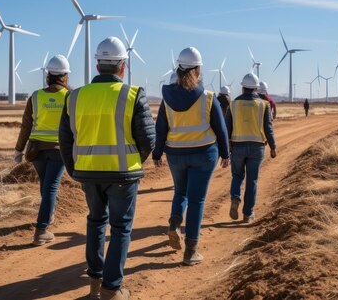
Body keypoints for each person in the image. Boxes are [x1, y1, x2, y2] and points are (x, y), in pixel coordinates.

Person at [59, 37, 155, 300]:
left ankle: (94, 281)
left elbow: (65, 140)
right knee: (121, 227)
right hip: (123, 175)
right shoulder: (133, 95)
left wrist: (74, 170)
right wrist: (134, 162)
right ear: (122, 66)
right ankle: (112, 289)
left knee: (95, 222)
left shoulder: (75, 96)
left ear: (98, 65)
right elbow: (147, 139)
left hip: (88, 173)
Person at [152, 46, 230, 266]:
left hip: (176, 155)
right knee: (197, 201)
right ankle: (191, 251)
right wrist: (225, 153)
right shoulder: (207, 97)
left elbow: (161, 128)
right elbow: (220, 128)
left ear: (179, 69)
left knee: (180, 192)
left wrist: (157, 154)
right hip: (204, 155)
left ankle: (175, 223)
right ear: (198, 69)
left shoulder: (166, 98)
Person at [14, 54, 71, 246]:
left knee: (46, 185)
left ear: (48, 74)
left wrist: (18, 150)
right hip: (59, 150)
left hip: (36, 150)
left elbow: (26, 126)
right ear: (65, 76)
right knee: (51, 187)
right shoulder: (70, 96)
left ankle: (48, 214)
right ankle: (41, 229)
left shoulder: (36, 96)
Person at [226, 73, 277, 223]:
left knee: (237, 176)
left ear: (242, 87)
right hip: (257, 147)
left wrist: (227, 146)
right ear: (256, 88)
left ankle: (235, 198)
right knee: (252, 180)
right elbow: (269, 128)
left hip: (238, 147)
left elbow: (226, 127)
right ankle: (248, 214)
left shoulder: (233, 104)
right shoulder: (264, 105)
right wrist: (273, 146)